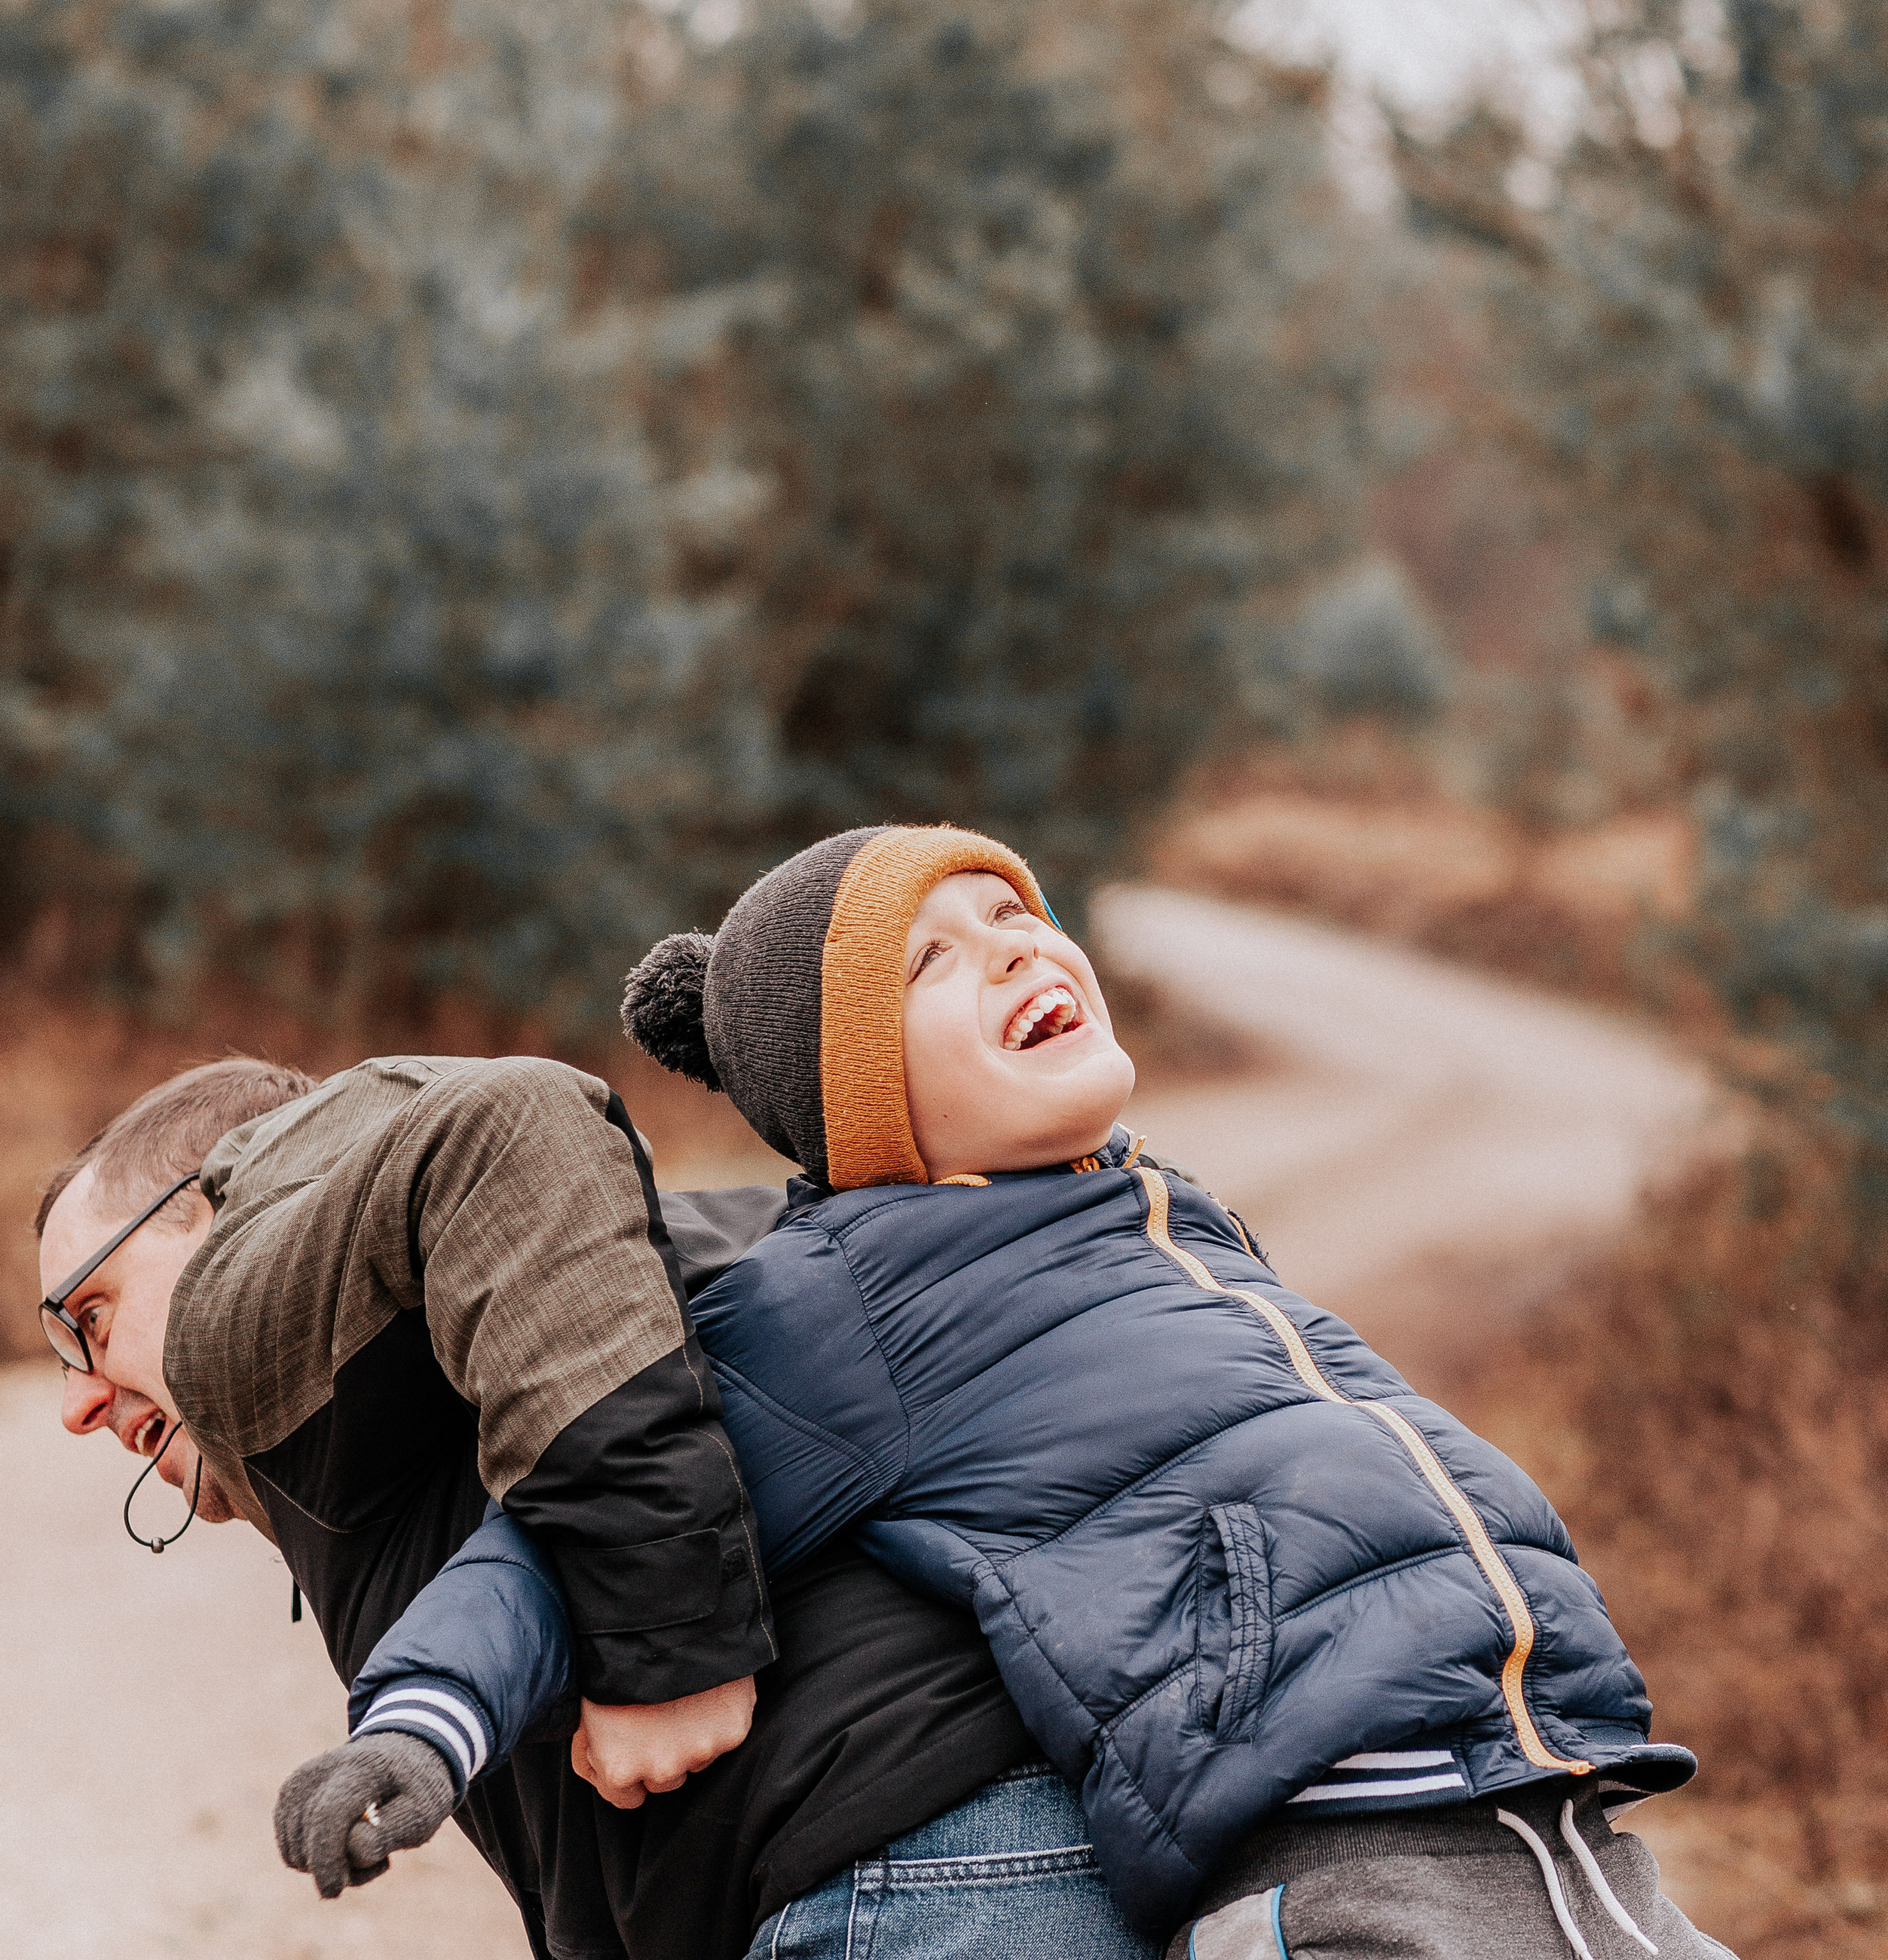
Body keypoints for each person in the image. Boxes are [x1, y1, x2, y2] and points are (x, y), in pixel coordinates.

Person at [332, 821, 1739, 1960]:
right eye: (933, 959)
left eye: (1013, 913)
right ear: (859, 1097)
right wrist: (426, 1719)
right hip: (1338, 1845)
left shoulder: (1173, 1211)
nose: (1014, 949)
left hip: (1553, 1805)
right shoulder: (860, 1289)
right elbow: (598, 1509)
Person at [34, 1047, 1109, 1960]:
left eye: (89, 1313)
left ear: (230, 1207)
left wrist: (668, 1635)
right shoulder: (692, 1252)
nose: (78, 1402)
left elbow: (513, 1118)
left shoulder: (242, 1312)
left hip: (896, 1877)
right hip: (1035, 1835)